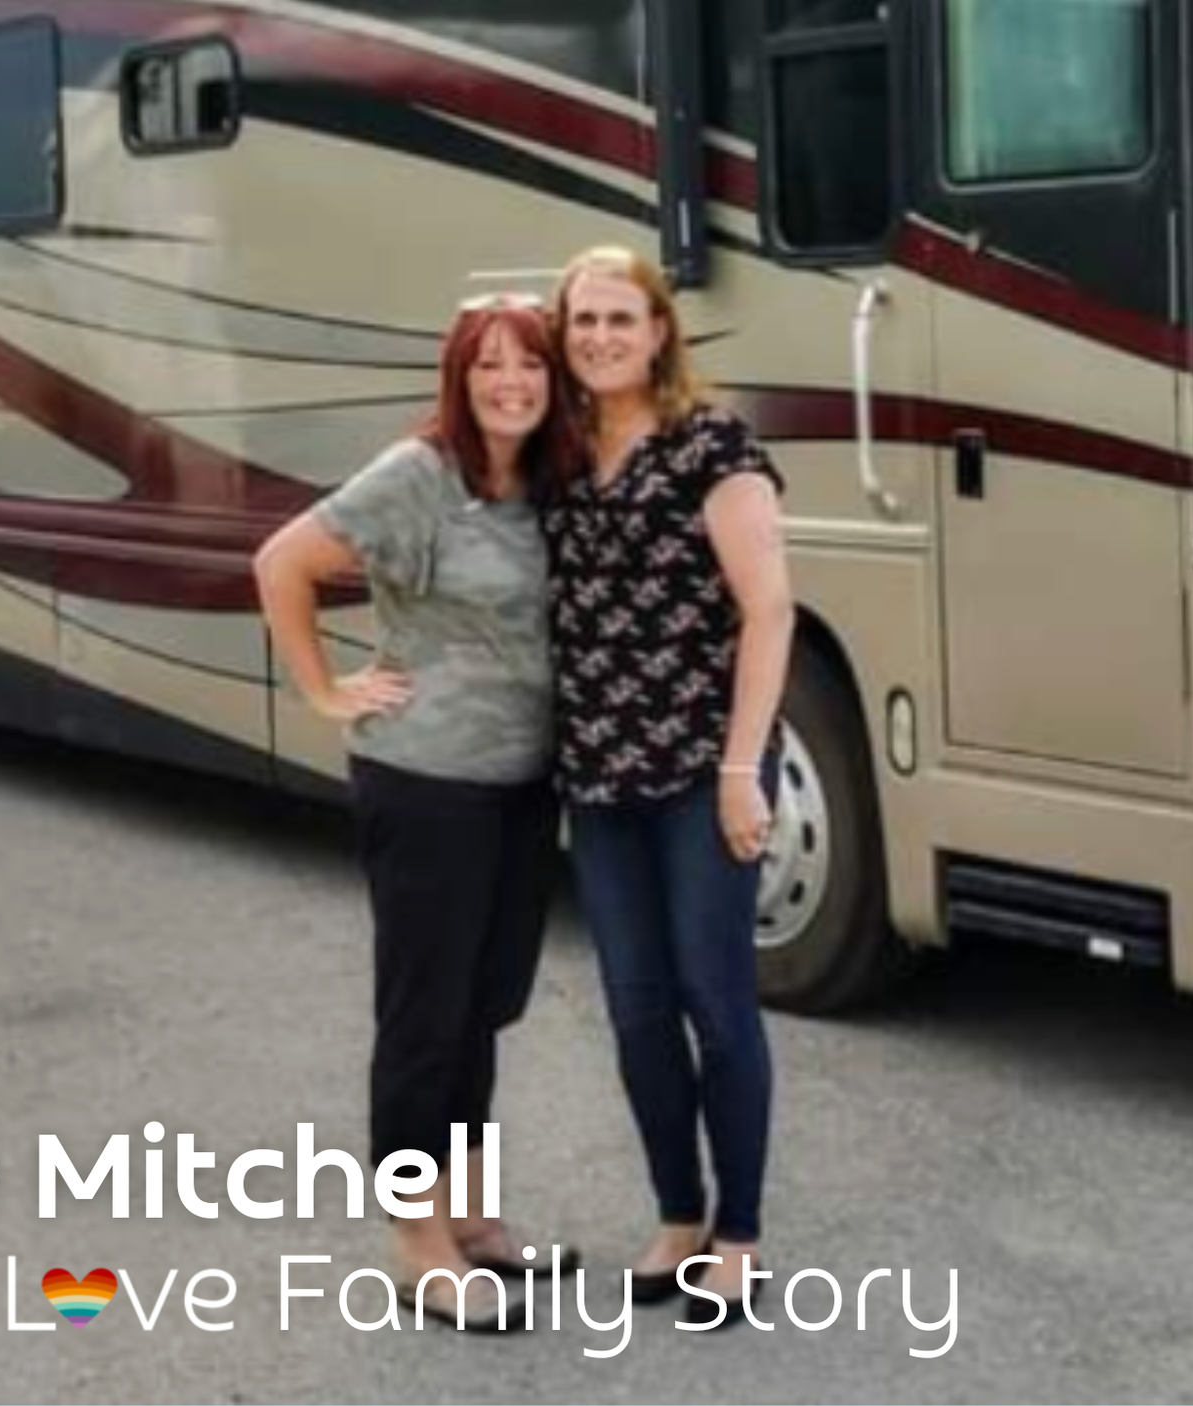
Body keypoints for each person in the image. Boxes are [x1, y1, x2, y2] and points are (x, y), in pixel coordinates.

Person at [252, 294, 578, 1329]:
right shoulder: (420, 474)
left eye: (528, 364)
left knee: (483, 1007)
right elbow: (282, 562)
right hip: (427, 781)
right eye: (489, 365)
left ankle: (471, 1216)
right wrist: (321, 689)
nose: (510, 382)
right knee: (423, 1019)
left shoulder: (540, 484)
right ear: (459, 376)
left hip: (520, 783)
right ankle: (414, 1240)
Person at [543, 245, 796, 1314]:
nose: (597, 336)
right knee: (636, 1006)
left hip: (702, 765)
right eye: (581, 321)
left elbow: (768, 610)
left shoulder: (712, 445)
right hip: (598, 775)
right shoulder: (553, 453)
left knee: (715, 998)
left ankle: (736, 1233)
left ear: (657, 331)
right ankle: (675, 1212)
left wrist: (744, 769)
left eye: (617, 317)